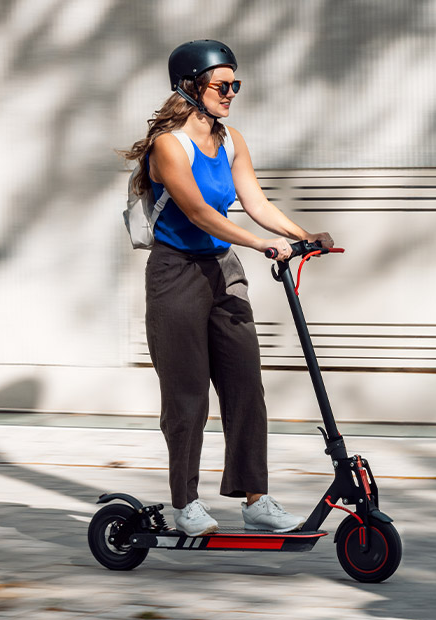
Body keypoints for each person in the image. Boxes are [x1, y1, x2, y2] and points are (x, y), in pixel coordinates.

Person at [120, 40, 336, 536]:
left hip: (223, 270)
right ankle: (185, 503)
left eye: (235, 84)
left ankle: (255, 499)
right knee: (187, 395)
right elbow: (199, 212)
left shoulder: (232, 140)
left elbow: (256, 202)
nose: (232, 92)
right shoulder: (169, 146)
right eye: (222, 85)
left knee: (245, 387)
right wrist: (261, 244)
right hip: (175, 274)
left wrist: (302, 236)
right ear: (189, 86)